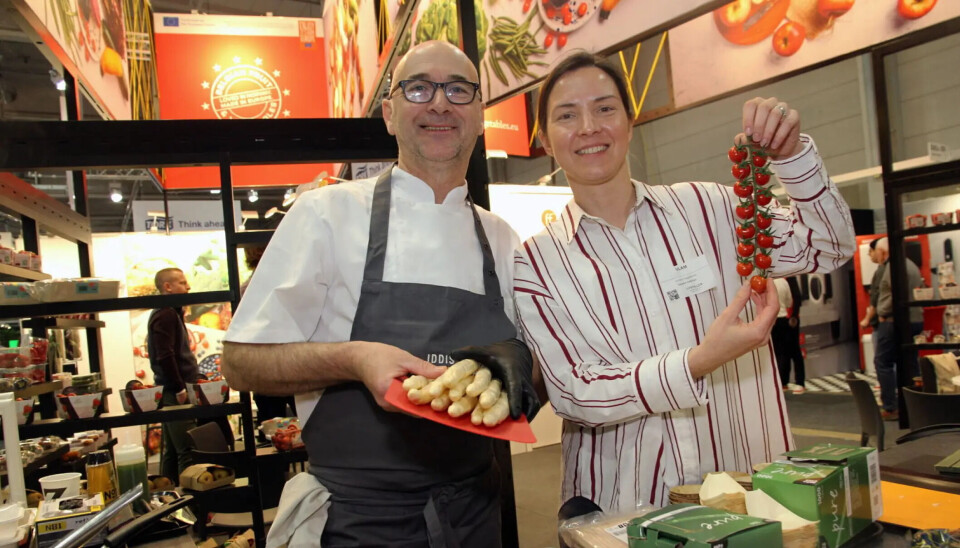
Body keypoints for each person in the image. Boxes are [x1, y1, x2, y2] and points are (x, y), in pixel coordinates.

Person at [222, 40, 540, 547]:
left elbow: (534, 373)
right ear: (389, 114)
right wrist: (354, 359)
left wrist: (520, 369)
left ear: (480, 115)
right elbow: (240, 363)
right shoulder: (325, 214)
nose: (439, 103)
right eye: (419, 88)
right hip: (358, 521)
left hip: (476, 513)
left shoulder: (500, 237)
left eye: (459, 90)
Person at [513, 52, 855, 516]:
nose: (589, 126)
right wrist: (699, 361)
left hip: (749, 491)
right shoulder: (536, 261)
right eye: (567, 115)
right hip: (625, 507)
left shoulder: (711, 208)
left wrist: (791, 156)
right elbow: (575, 390)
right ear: (545, 141)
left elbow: (827, 246)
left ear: (630, 124)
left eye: (605, 108)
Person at [148, 267, 200, 482]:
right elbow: (165, 355)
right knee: (187, 450)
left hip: (170, 390)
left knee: (172, 451)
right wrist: (179, 387)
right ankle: (192, 505)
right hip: (174, 391)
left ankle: (169, 499)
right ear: (167, 287)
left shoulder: (169, 311)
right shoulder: (166, 313)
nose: (188, 287)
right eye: (182, 282)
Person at [873, 237, 924, 421]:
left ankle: (891, 406)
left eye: (876, 251)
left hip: (894, 321)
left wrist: (882, 312)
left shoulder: (892, 267)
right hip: (915, 318)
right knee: (910, 362)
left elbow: (889, 294)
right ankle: (915, 404)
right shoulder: (911, 265)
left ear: (883, 251)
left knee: (883, 362)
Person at [772, 276, 805, 393]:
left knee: (794, 350)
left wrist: (794, 316)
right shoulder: (774, 279)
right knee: (781, 352)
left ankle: (800, 382)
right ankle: (783, 381)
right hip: (779, 319)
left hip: (790, 319)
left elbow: (796, 298)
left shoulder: (789, 277)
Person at [860, 237, 885, 332]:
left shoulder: (881, 270)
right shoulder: (881, 269)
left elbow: (876, 297)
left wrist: (867, 319)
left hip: (881, 324)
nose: (869, 254)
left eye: (871, 251)